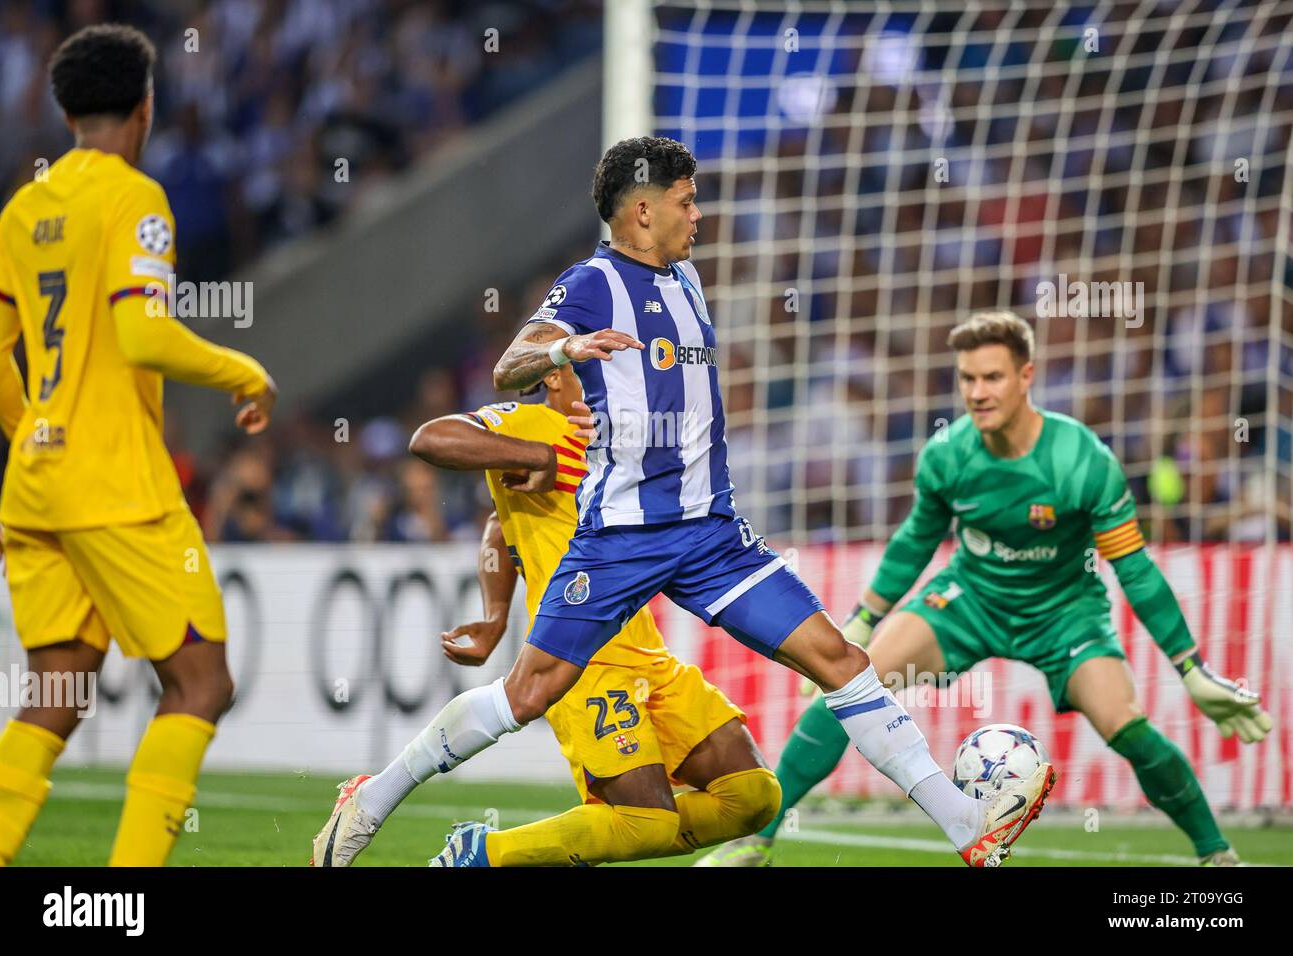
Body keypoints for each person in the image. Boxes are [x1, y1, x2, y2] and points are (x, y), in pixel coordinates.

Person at [315, 137, 1056, 868]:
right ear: (641, 211)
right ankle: (375, 798)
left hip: (709, 534)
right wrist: (565, 352)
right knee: (527, 695)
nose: (697, 214)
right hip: (621, 537)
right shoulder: (591, 284)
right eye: (685, 200)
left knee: (838, 658)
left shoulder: (687, 280)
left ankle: (966, 829)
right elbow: (513, 364)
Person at [697, 311, 1271, 868]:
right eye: (968, 378)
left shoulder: (1082, 461)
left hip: (1065, 612)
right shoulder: (948, 456)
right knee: (848, 681)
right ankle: (757, 844)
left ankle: (1216, 855)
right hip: (969, 599)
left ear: (1026, 376)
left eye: (992, 377)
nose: (977, 392)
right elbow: (914, 543)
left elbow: (1137, 571)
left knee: (1129, 729)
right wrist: (861, 624)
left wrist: (1191, 668)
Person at [0, 24, 277, 867]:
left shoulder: (23, 206)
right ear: (146, 106)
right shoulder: (133, 198)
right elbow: (143, 333)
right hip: (116, 484)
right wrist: (241, 370)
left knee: (59, 685)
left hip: (37, 487)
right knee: (200, 682)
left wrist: (34, 437)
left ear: (65, 108)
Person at [312, 364, 781, 866]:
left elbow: (498, 522)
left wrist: (494, 614)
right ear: (554, 376)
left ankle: (461, 833)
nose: (614, 383)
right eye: (598, 372)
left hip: (647, 653)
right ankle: (481, 854)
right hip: (583, 660)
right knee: (644, 820)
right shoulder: (528, 422)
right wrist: (539, 455)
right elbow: (432, 438)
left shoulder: (614, 435)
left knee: (754, 798)